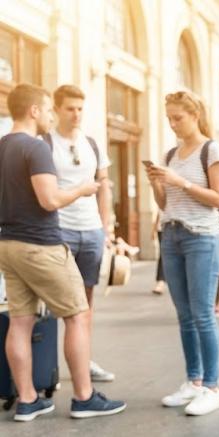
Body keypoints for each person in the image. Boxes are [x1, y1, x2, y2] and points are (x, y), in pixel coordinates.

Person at [0, 83, 125, 421]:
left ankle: (27, 400)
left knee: (20, 321)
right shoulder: (36, 147)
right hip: (41, 245)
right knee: (78, 315)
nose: (50, 116)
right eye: (47, 109)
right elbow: (50, 200)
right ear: (34, 110)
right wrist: (82, 189)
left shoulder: (3, 145)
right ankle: (84, 397)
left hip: (8, 244)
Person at [146, 90, 219, 416]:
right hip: (172, 236)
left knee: (203, 314)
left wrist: (180, 181)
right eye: (168, 118)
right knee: (184, 315)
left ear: (195, 115)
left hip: (202, 238)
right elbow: (165, 203)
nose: (172, 124)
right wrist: (157, 183)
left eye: (178, 118)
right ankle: (193, 381)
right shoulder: (170, 154)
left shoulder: (212, 150)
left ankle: (212, 387)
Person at [47, 85, 116, 382]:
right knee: (53, 303)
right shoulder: (45, 143)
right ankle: (47, 366)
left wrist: (106, 227)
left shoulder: (91, 144)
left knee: (86, 303)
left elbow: (104, 187)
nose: (76, 114)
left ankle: (84, 362)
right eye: (70, 109)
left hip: (92, 232)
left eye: (79, 109)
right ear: (56, 110)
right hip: (59, 231)